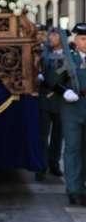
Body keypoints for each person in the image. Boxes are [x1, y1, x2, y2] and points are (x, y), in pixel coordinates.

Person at [52, 23, 86, 205]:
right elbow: (53, 80)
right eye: (83, 38)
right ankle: (74, 189)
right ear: (75, 40)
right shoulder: (67, 59)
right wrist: (64, 91)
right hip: (72, 108)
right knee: (73, 148)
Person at [36, 27, 66, 181]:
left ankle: (54, 164)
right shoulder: (43, 53)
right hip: (44, 100)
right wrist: (39, 75)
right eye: (51, 35)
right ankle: (41, 166)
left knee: (58, 135)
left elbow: (60, 75)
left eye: (55, 35)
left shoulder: (69, 56)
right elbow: (37, 69)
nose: (51, 37)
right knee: (42, 135)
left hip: (61, 101)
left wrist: (49, 80)